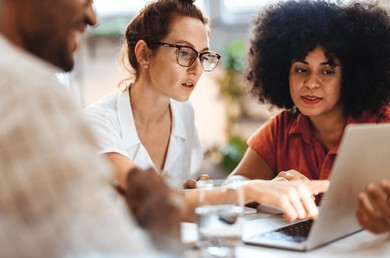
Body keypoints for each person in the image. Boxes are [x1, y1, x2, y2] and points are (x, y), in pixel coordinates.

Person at [0, 0, 183, 258]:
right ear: (143, 55)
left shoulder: (184, 116)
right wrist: (163, 228)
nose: (92, 17)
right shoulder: (27, 92)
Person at [230, 0, 390, 209]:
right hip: (295, 239)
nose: (311, 83)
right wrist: (265, 188)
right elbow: (233, 185)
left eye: (327, 71)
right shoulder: (280, 130)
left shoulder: (383, 125)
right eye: (301, 69)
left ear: (350, 76)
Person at [83, 0, 220, 190]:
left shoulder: (184, 113)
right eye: (185, 53)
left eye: (203, 56)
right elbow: (148, 195)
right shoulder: (96, 122)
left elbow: (175, 199)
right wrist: (244, 191)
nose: (196, 70)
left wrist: (192, 191)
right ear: (144, 54)